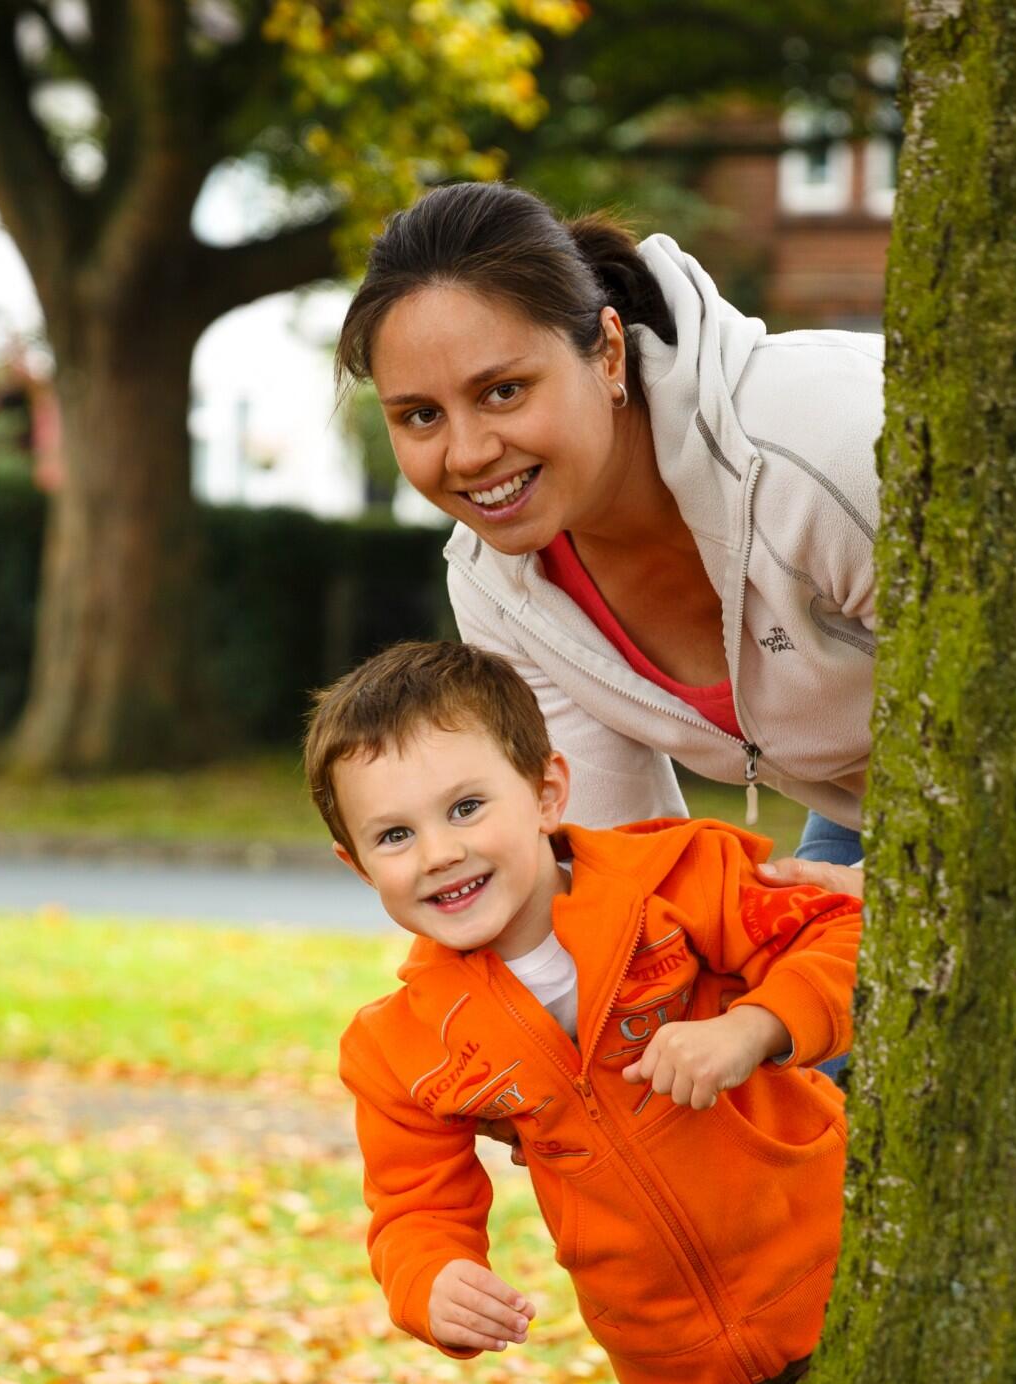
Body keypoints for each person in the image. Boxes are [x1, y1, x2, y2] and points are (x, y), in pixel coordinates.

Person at [307, 640, 861, 1384]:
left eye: (465, 808)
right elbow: (412, 1210)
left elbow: (839, 935)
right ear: (355, 864)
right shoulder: (400, 1044)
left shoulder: (674, 877)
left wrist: (753, 1028)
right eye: (394, 834)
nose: (437, 853)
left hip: (838, 1276)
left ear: (547, 790)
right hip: (686, 1360)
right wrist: (432, 1285)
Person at [334, 181, 879, 908]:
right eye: (421, 415)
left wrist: (887, 896)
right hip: (864, 813)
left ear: (610, 354)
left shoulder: (828, 458)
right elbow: (627, 879)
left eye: (504, 391)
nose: (466, 454)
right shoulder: (500, 587)